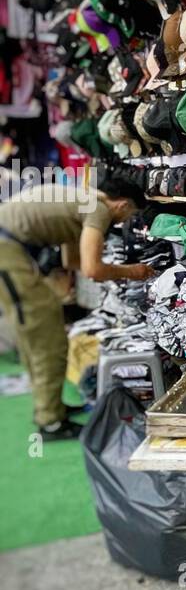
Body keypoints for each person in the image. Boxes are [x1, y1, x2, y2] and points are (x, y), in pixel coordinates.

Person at [0, 173, 151, 438]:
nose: (127, 221)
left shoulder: (84, 201)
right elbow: (93, 269)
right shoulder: (98, 210)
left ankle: (50, 409)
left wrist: (109, 272)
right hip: (8, 252)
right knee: (46, 336)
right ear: (123, 205)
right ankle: (50, 422)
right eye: (130, 216)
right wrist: (132, 272)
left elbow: (73, 262)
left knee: (34, 331)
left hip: (12, 250)